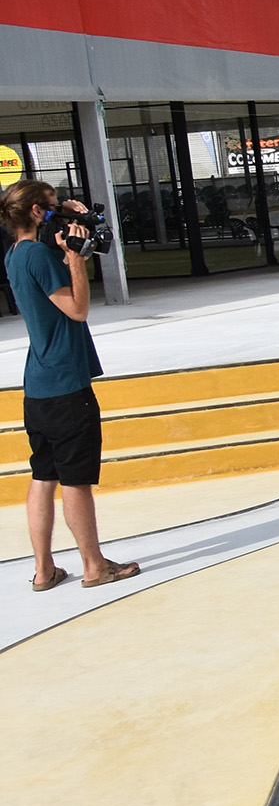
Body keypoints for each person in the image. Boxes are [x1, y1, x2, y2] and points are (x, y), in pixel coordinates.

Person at [3, 180, 138, 591]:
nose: (59, 209)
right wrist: (75, 258)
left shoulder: (15, 253)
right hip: (66, 386)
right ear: (36, 212)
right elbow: (76, 309)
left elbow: (50, 293)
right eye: (52, 204)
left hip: (39, 387)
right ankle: (94, 566)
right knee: (76, 480)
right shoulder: (39, 255)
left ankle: (44, 570)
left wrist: (73, 237)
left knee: (43, 476)